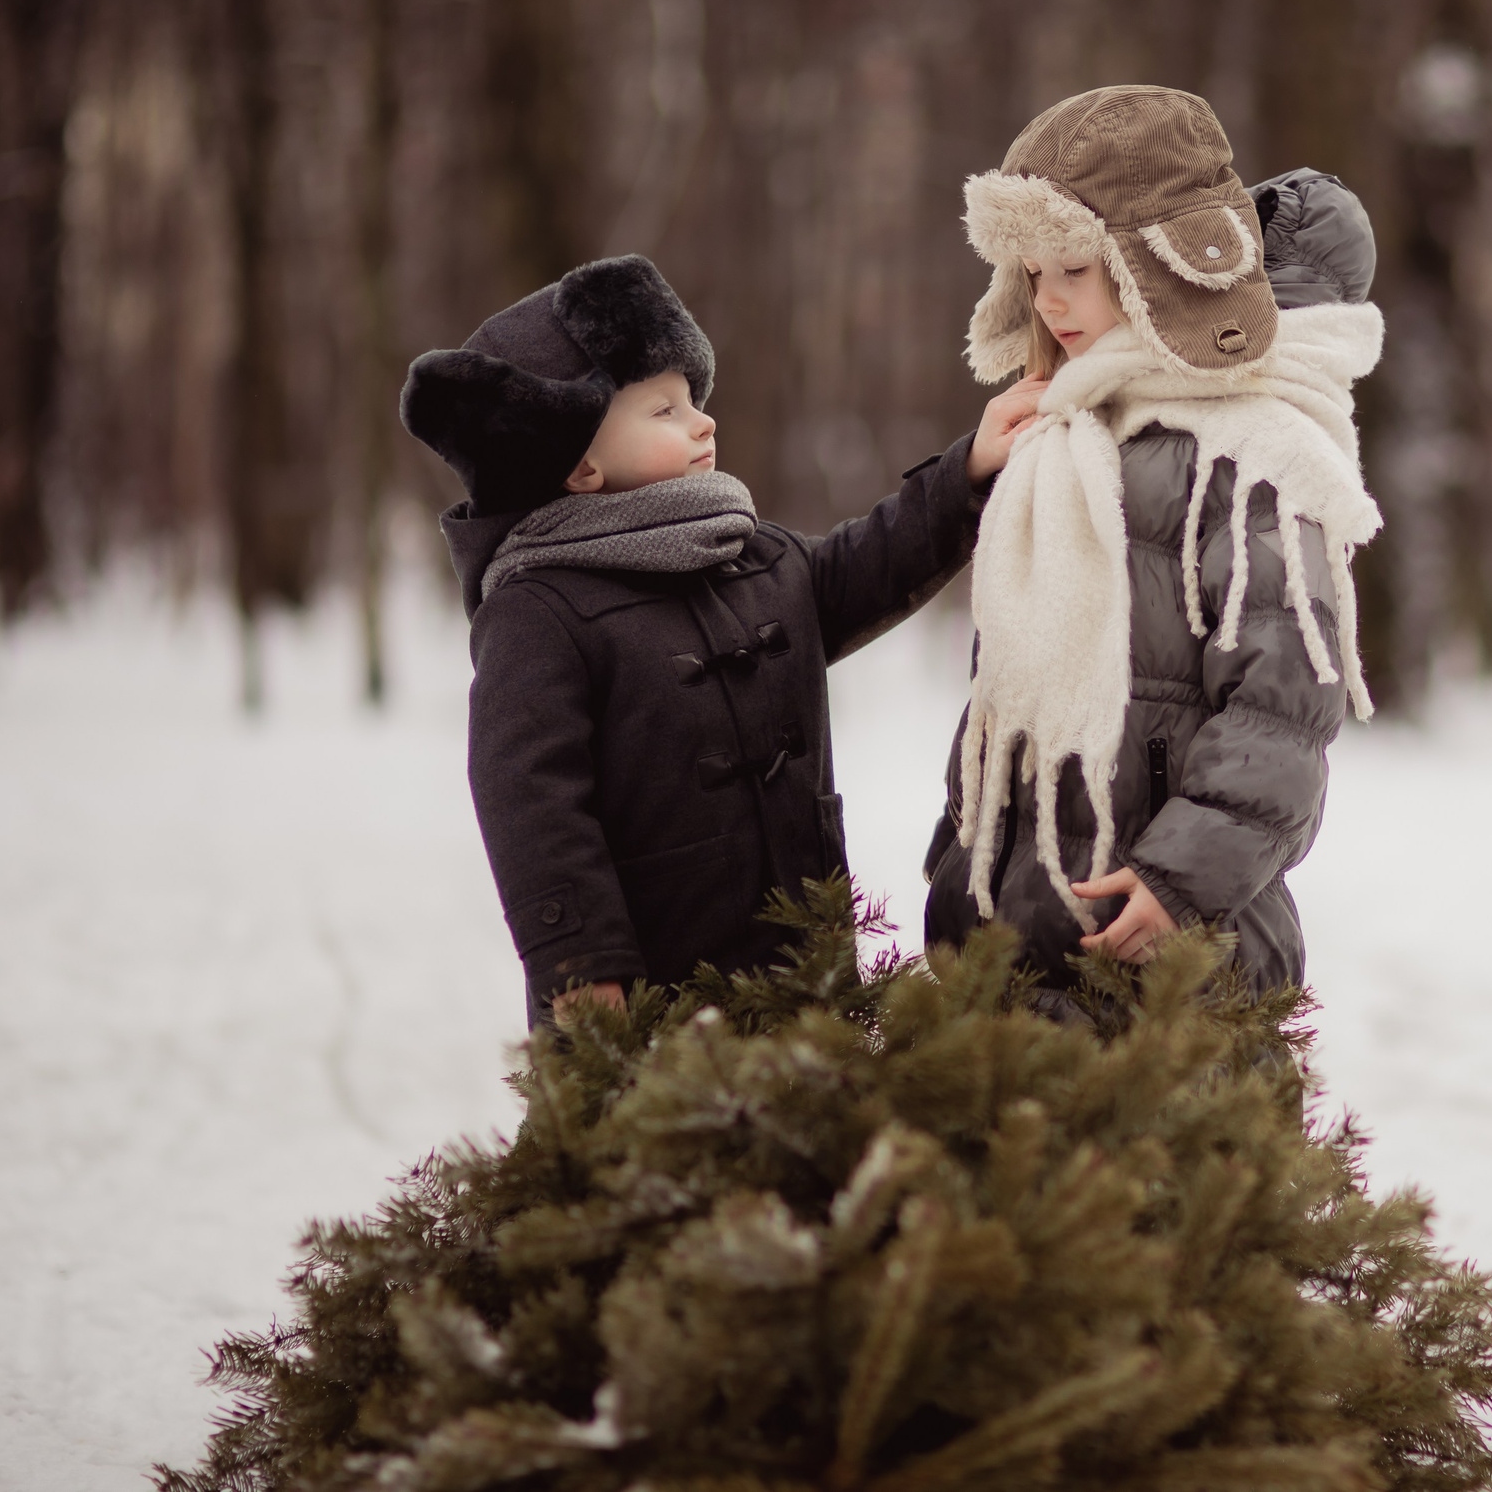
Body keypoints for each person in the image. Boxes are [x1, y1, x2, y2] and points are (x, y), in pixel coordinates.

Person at [400, 253, 1044, 1023]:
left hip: (802, 973)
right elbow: (528, 797)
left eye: (693, 399)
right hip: (646, 997)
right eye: (663, 410)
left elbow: (866, 561)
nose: (703, 419)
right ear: (579, 465)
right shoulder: (538, 608)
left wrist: (968, 467)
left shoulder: (751, 551)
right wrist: (577, 960)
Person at [922, 86, 1383, 996]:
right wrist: (959, 870)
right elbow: (1000, 693)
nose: (1049, 301)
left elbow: (1282, 707)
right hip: (1018, 938)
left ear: (1151, 267)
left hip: (1168, 953)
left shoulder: (1248, 449)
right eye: (1033, 272)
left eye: (1076, 270)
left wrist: (1184, 878)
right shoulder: (1064, 431)